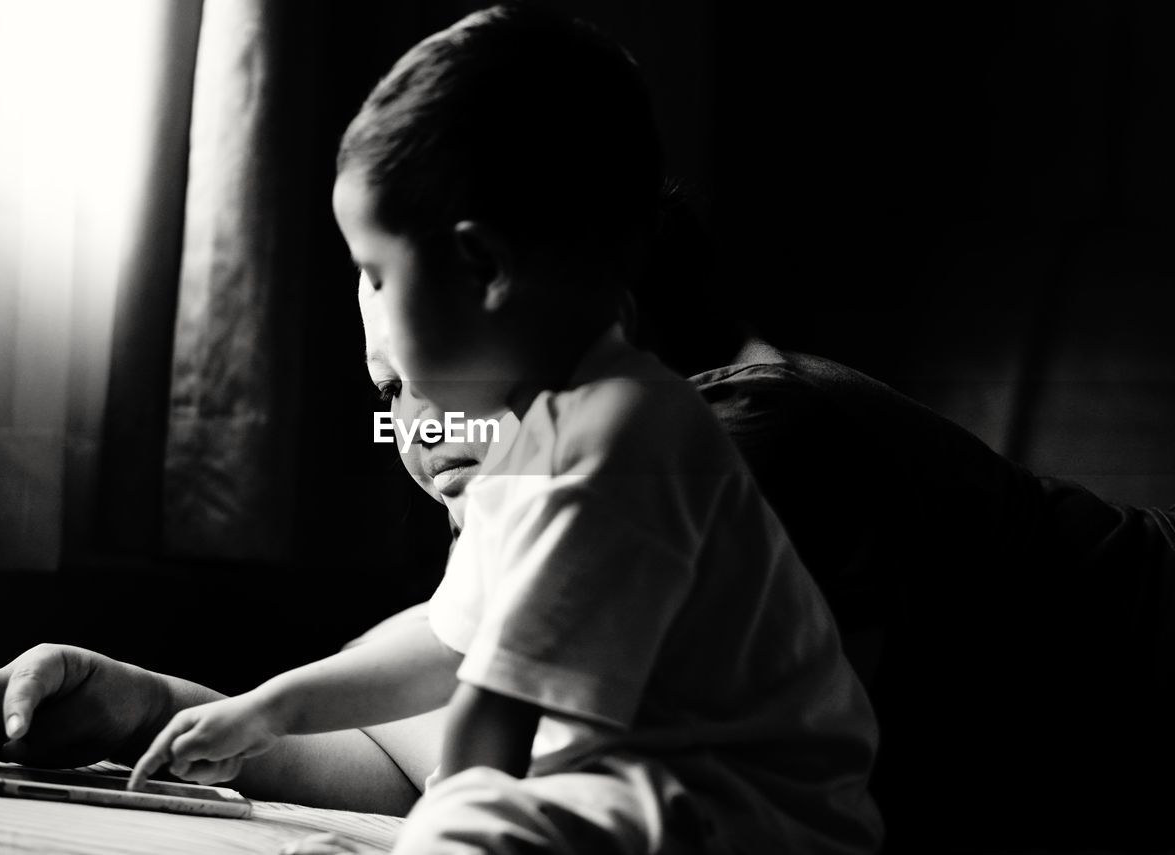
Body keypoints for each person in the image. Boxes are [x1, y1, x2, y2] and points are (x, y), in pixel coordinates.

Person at [121, 5, 882, 854]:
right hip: (649, 796)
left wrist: (451, 817)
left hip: (753, 815)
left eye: (380, 275)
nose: (406, 422)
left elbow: (497, 713)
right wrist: (273, 706)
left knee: (484, 808)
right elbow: (452, 643)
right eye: (386, 392)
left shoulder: (640, 439)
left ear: (482, 270)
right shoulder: (530, 457)